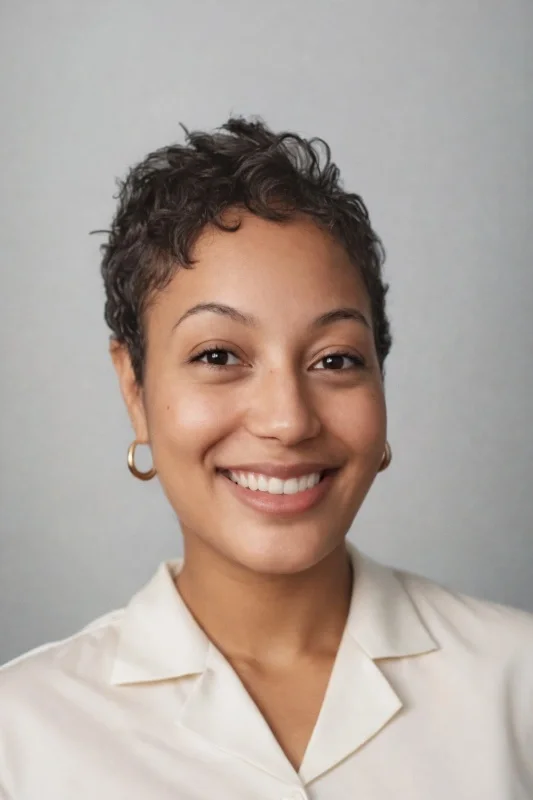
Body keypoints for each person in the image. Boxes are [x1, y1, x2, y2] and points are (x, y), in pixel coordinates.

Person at [0, 116, 532, 800]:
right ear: (135, 388)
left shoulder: (516, 684)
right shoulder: (21, 736)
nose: (287, 420)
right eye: (219, 355)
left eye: (335, 360)